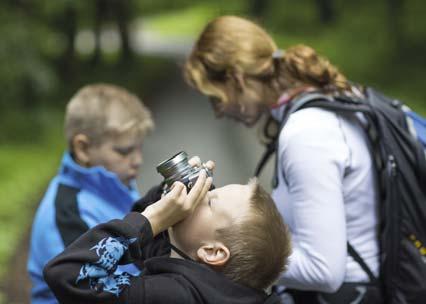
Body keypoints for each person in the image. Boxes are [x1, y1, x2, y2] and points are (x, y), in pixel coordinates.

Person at [184, 16, 381, 303]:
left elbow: (323, 270)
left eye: (215, 98)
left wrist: (221, 257)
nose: (218, 112)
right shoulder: (327, 98)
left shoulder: (307, 133)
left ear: (237, 79)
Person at [43, 169, 292, 304]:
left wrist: (152, 221)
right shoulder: (208, 283)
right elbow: (155, 249)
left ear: (213, 252)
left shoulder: (172, 296)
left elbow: (68, 274)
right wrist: (167, 193)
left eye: (207, 200)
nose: (198, 194)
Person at [27, 84, 154, 304]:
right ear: (83, 148)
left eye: (139, 148)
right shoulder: (67, 214)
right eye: (124, 151)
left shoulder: (116, 181)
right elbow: (91, 291)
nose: (137, 160)